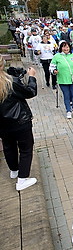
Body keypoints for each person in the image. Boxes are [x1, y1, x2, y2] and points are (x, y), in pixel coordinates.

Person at [0, 58, 38, 190]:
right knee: (26, 149)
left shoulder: (10, 81)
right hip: (19, 121)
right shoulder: (9, 82)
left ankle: (14, 171)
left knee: (8, 146)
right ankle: (22, 180)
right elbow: (30, 92)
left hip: (3, 124)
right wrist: (32, 77)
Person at [50, 41, 73, 119]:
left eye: (67, 47)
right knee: (66, 96)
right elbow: (51, 67)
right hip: (63, 80)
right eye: (64, 47)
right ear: (61, 48)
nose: (66, 48)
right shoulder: (57, 56)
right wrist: (54, 71)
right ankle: (68, 111)